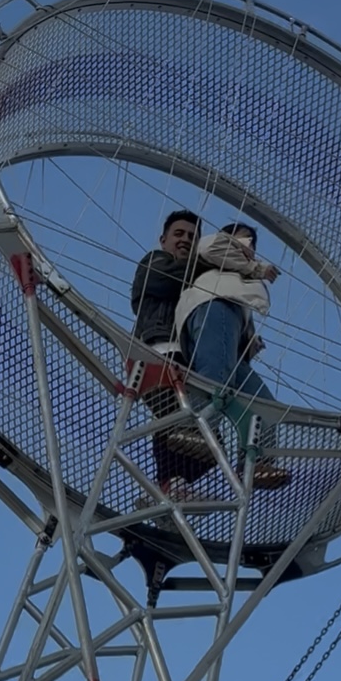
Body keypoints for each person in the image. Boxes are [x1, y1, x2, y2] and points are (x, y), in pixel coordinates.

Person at [175, 222, 287, 487]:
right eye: (242, 241)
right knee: (213, 374)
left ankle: (256, 461)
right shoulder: (217, 249)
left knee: (263, 405)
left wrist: (250, 342)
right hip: (214, 305)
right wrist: (255, 267)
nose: (248, 249)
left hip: (229, 328)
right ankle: (197, 429)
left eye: (251, 245)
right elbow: (213, 247)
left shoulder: (239, 280)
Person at [130, 210, 215, 498]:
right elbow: (166, 280)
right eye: (179, 234)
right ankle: (168, 482)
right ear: (163, 239)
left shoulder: (194, 279)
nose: (185, 240)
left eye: (192, 237)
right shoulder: (155, 262)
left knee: (211, 446)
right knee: (174, 417)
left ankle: (171, 484)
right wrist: (207, 264)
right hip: (156, 349)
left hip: (184, 358)